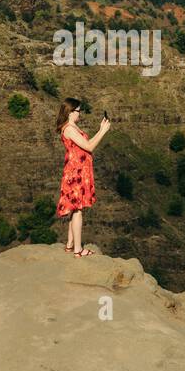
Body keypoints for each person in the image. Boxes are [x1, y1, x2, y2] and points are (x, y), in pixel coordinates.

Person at [54, 97, 110, 257]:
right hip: (76, 173)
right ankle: (78, 250)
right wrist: (102, 131)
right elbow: (89, 146)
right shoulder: (69, 129)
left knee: (74, 208)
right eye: (78, 111)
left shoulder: (71, 126)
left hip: (79, 171)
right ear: (71, 112)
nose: (80, 114)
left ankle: (70, 244)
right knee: (77, 210)